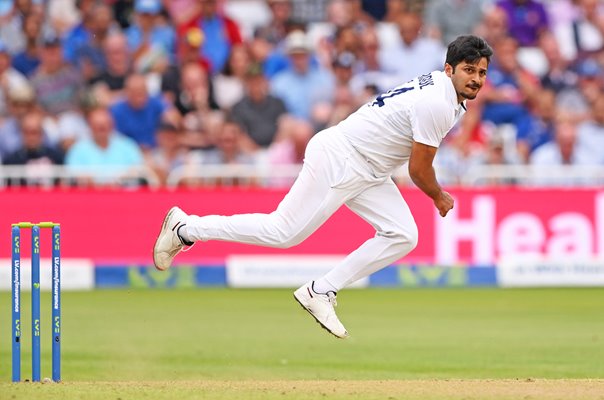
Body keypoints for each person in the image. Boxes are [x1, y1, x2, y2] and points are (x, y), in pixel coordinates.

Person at [153, 35, 493, 339]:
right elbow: (419, 169)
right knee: (282, 232)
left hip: (370, 169)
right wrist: (438, 195)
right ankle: (186, 228)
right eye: (468, 70)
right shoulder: (437, 102)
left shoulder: (444, 90)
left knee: (403, 234)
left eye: (481, 72)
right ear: (448, 69)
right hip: (343, 157)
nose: (476, 79)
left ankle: (321, 291)